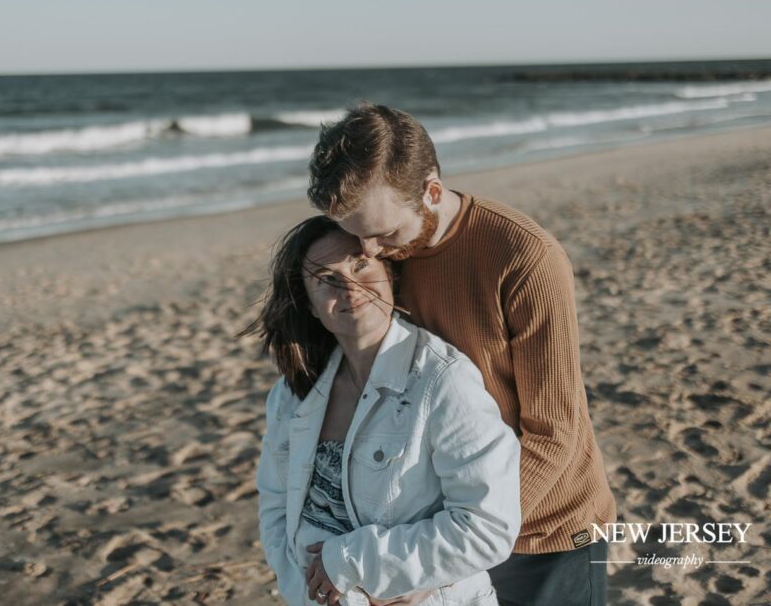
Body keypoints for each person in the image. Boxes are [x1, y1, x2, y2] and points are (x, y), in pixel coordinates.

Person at [307, 102, 617, 605]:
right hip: (439, 525)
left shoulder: (526, 258)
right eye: (355, 232)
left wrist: (455, 551)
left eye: (383, 232)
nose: (370, 251)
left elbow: (556, 432)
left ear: (431, 192)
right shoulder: (381, 252)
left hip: (548, 529)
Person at [249, 216, 521, 606]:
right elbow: (276, 507)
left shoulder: (442, 380)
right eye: (326, 278)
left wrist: (361, 566)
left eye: (360, 265)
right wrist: (302, 589)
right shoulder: (292, 395)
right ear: (308, 305)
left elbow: (487, 527)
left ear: (389, 274)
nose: (350, 288)